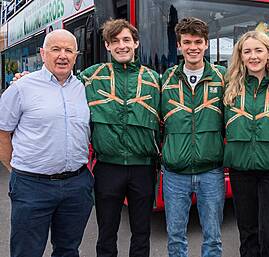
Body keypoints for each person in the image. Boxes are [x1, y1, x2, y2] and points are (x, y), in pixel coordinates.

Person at [0, 29, 93, 257]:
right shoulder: (21, 88)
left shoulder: (84, 88)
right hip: (32, 186)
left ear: (76, 55)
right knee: (27, 252)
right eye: (56, 49)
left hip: (76, 185)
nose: (63, 55)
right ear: (43, 54)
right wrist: (16, 170)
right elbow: (3, 132)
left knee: (68, 250)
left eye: (69, 50)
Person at [79, 19, 161, 257]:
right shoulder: (90, 78)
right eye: (115, 41)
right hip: (107, 168)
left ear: (136, 43)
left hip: (143, 168)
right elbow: (59, 83)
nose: (121, 46)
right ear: (107, 46)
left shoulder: (154, 80)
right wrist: (26, 78)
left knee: (141, 233)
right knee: (106, 234)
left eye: (126, 40)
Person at [160, 17, 226, 257]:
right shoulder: (166, 80)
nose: (193, 47)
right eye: (187, 42)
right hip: (175, 172)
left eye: (198, 42)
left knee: (213, 237)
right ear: (179, 46)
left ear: (206, 44)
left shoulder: (223, 78)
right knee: (175, 237)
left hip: (211, 170)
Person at [223, 30, 269, 257]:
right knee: (248, 233)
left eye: (258, 50)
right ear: (240, 56)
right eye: (247, 51)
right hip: (241, 169)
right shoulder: (228, 86)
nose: (253, 56)